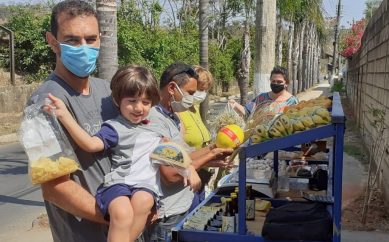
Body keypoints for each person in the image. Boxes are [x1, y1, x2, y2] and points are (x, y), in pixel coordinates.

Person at [45, 65, 202, 242]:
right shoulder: (115, 127)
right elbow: (89, 144)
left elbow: (172, 152)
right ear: (118, 100)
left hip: (146, 186)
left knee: (144, 202)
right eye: (132, 101)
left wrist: (189, 168)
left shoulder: (156, 125)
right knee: (122, 213)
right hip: (120, 183)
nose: (138, 108)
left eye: (145, 102)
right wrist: (64, 115)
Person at [26, 1, 118, 241]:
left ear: (100, 38)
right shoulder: (44, 103)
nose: (84, 47)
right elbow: (56, 188)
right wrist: (118, 217)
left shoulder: (107, 91)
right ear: (52, 41)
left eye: (90, 39)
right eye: (72, 40)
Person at [143, 62, 234, 241]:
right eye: (190, 93)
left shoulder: (173, 118)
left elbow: (184, 156)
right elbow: (170, 174)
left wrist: (213, 150)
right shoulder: (155, 121)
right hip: (167, 216)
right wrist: (211, 155)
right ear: (172, 88)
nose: (192, 98)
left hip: (181, 208)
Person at [177, 65, 215, 211]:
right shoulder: (178, 111)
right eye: (199, 89)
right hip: (186, 181)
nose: (202, 93)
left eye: (206, 90)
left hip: (201, 177)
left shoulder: (194, 107)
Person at [229, 66, 299, 117]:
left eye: (279, 82)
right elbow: (247, 112)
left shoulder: (292, 102)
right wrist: (235, 104)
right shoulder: (262, 98)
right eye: (273, 81)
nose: (276, 84)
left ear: (286, 83)